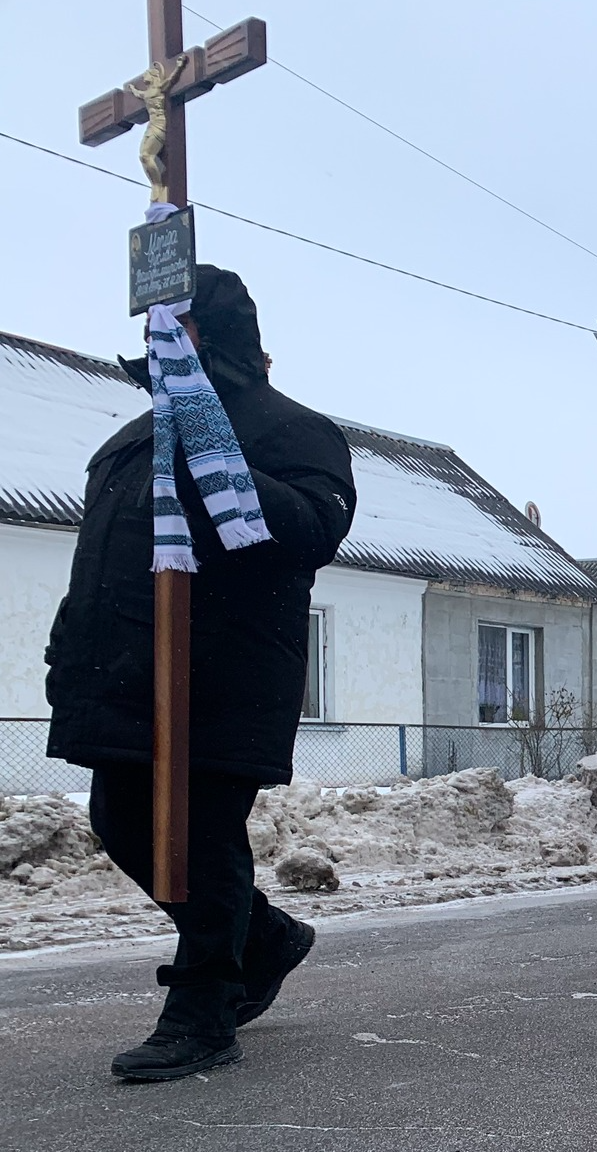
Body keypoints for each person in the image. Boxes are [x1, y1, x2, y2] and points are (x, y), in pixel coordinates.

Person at [45, 266, 356, 1081]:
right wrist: (67, 649)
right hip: (122, 676)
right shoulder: (131, 438)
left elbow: (316, 530)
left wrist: (218, 458)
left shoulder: (292, 429)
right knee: (122, 822)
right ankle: (266, 938)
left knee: (201, 839)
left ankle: (202, 1010)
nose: (155, 344)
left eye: (170, 329)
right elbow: (100, 566)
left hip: (222, 679)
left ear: (209, 338)